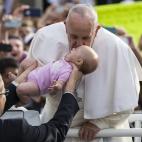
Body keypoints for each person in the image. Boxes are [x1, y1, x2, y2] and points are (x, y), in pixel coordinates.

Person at [28, 4, 142, 142]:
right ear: (65, 26)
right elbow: (32, 84)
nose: (79, 44)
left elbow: (127, 102)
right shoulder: (45, 37)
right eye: (74, 36)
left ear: (97, 29)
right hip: (56, 125)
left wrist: (99, 123)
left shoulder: (117, 48)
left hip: (102, 132)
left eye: (86, 38)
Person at [0, 60, 81, 142]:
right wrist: (69, 93)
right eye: (4, 92)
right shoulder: (14, 130)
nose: (6, 96)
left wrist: (20, 80)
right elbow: (55, 133)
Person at [17, 45, 98, 97]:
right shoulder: (64, 60)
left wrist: (57, 86)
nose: (73, 48)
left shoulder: (67, 71)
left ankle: (18, 87)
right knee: (26, 62)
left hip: (37, 85)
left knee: (20, 89)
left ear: (79, 61)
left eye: (76, 50)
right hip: (35, 74)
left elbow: (60, 83)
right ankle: (17, 80)